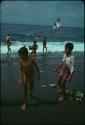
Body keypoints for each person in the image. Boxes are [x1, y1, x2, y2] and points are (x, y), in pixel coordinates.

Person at [18, 46, 40, 111]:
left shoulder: (32, 59)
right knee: (25, 90)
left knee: (32, 85)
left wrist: (39, 75)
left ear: (25, 54)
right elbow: (21, 70)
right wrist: (20, 79)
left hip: (32, 75)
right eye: (19, 55)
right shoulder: (21, 61)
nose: (20, 57)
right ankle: (25, 103)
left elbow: (36, 67)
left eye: (20, 55)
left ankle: (30, 92)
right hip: (25, 75)